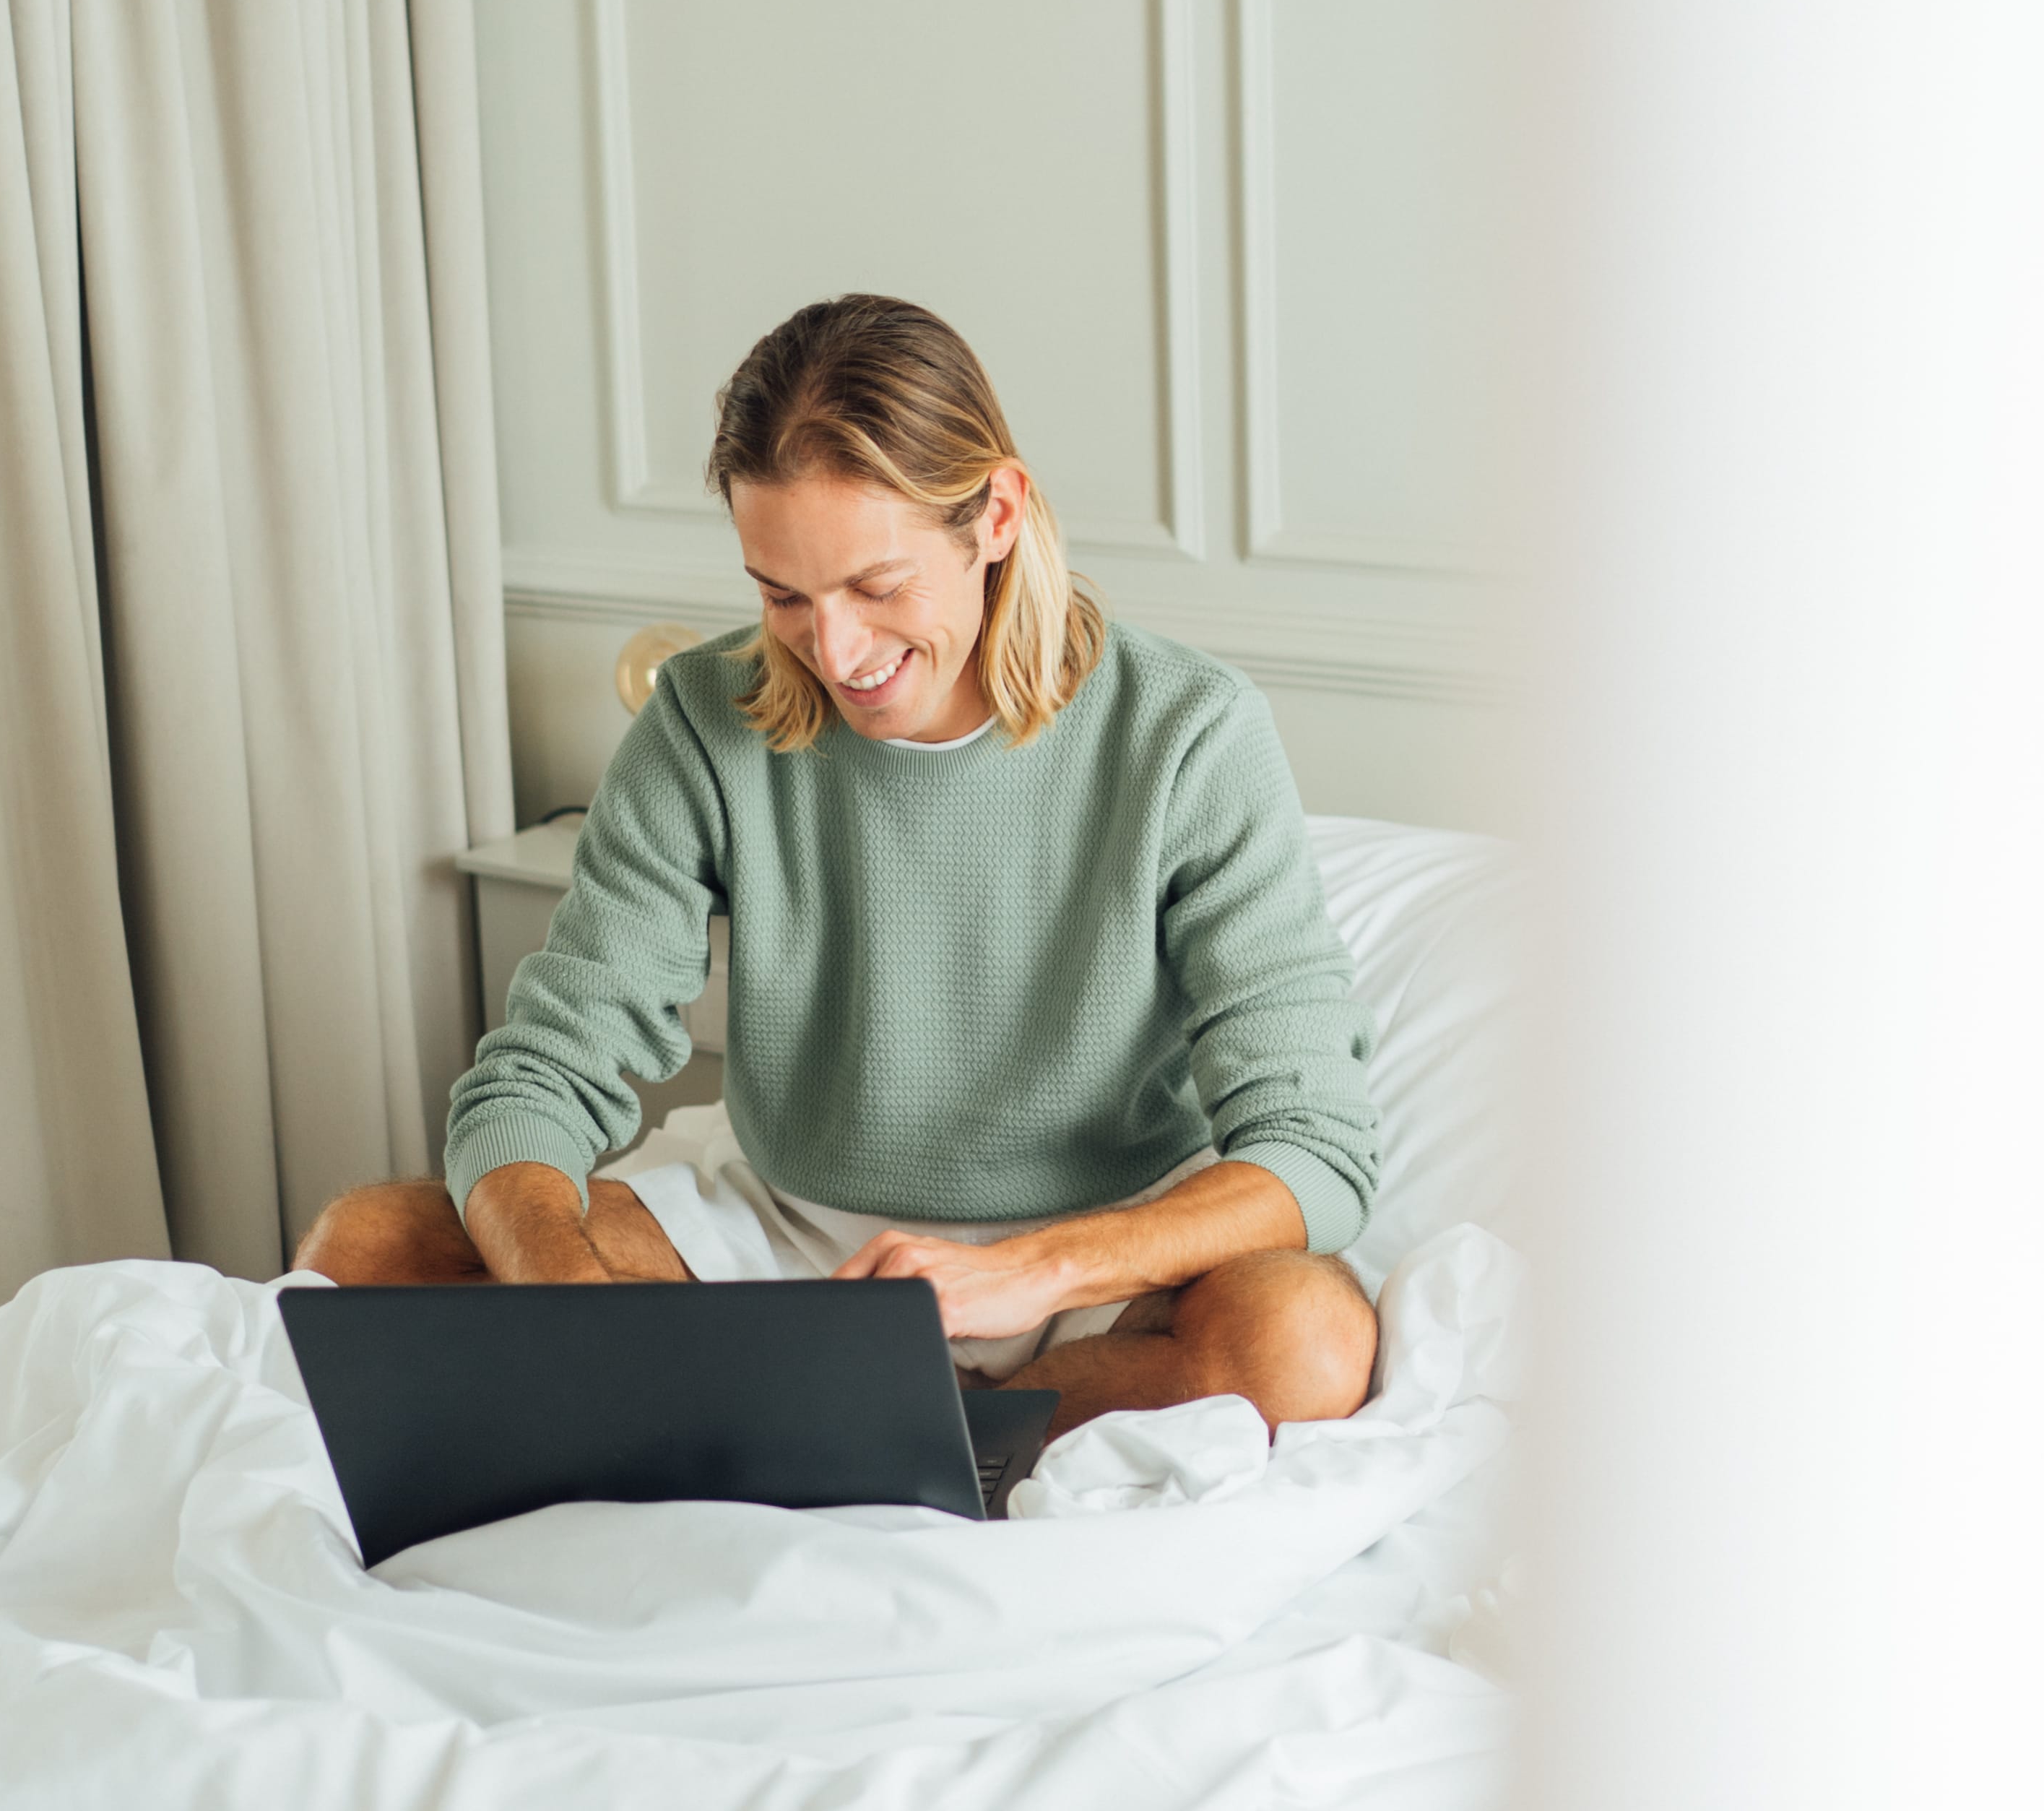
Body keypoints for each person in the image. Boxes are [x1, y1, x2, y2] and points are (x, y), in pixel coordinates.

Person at [297, 294, 1381, 1441]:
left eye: (878, 586)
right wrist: (573, 1309)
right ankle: (827, 1415)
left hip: (1094, 1267)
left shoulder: (1191, 734)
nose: (837, 652)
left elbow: (1313, 1155)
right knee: (364, 1249)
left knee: (1306, 1339)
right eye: (783, 597)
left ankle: (911, 1434)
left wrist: (1032, 1271)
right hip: (788, 1239)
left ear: (998, 515)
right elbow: (538, 1081)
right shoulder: (702, 720)